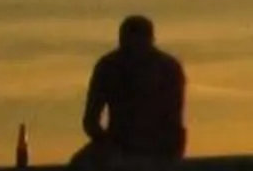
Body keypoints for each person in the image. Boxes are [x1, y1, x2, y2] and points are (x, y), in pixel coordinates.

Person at [79, 14, 187, 162]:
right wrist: (109, 145)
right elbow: (91, 121)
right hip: (118, 147)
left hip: (158, 149)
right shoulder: (108, 66)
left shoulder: (167, 68)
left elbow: (174, 118)